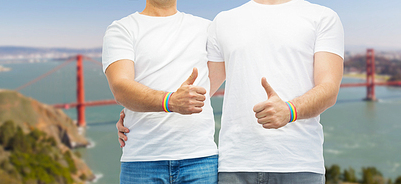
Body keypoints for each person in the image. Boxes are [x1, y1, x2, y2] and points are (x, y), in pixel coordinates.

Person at [119, 0, 343, 183]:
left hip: (300, 165)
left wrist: (290, 110)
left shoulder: (322, 17)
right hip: (234, 166)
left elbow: (329, 89)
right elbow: (200, 90)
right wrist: (133, 115)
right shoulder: (223, 21)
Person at [102, 0, 219, 183]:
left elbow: (225, 72)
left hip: (200, 158)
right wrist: (170, 101)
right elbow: (120, 87)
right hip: (142, 161)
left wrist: (191, 100)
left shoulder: (208, 29)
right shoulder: (122, 29)